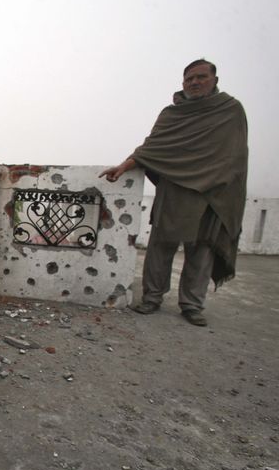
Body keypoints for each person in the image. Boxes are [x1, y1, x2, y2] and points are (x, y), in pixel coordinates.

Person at [100, 59, 248, 327]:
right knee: (161, 245)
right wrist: (125, 166)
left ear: (214, 79)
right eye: (189, 78)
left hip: (212, 193)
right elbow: (153, 148)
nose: (195, 82)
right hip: (175, 190)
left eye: (201, 77)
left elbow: (236, 154)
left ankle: (192, 305)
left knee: (201, 250)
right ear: (183, 83)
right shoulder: (172, 114)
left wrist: (222, 183)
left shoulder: (230, 110)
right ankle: (152, 298)